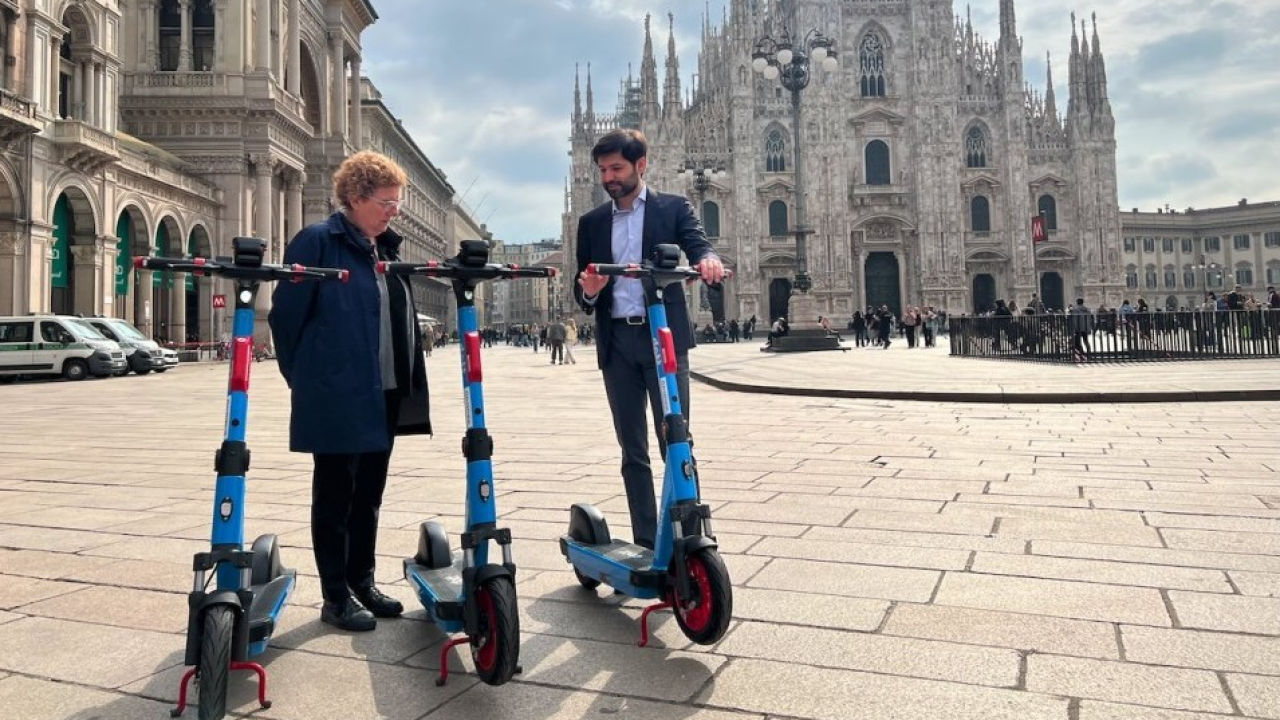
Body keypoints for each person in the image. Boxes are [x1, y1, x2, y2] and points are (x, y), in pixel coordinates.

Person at [268, 151, 431, 632]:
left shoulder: (385, 249)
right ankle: (335, 596)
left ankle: (364, 581)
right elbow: (286, 317)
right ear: (356, 198)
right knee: (336, 495)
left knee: (370, 496)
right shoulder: (319, 242)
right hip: (338, 393)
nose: (393, 211)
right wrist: (309, 378)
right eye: (387, 202)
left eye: (397, 204)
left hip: (383, 391)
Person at [574, 128, 724, 550]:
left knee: (676, 439)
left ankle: (688, 538)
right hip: (617, 343)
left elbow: (699, 245)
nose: (609, 177)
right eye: (603, 170)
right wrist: (590, 287)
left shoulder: (673, 208)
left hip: (664, 340)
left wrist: (708, 261)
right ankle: (646, 542)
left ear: (641, 165)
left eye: (617, 168)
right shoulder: (592, 222)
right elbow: (581, 290)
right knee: (632, 449)